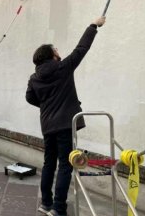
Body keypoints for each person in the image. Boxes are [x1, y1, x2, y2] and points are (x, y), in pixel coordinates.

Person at [25, 17, 106, 216]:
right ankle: (59, 208)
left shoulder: (34, 78)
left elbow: (29, 98)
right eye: (56, 51)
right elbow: (81, 48)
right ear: (51, 55)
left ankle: (45, 203)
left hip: (48, 125)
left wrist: (46, 106)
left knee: (48, 163)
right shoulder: (63, 67)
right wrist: (93, 26)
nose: (59, 53)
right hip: (64, 125)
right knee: (65, 165)